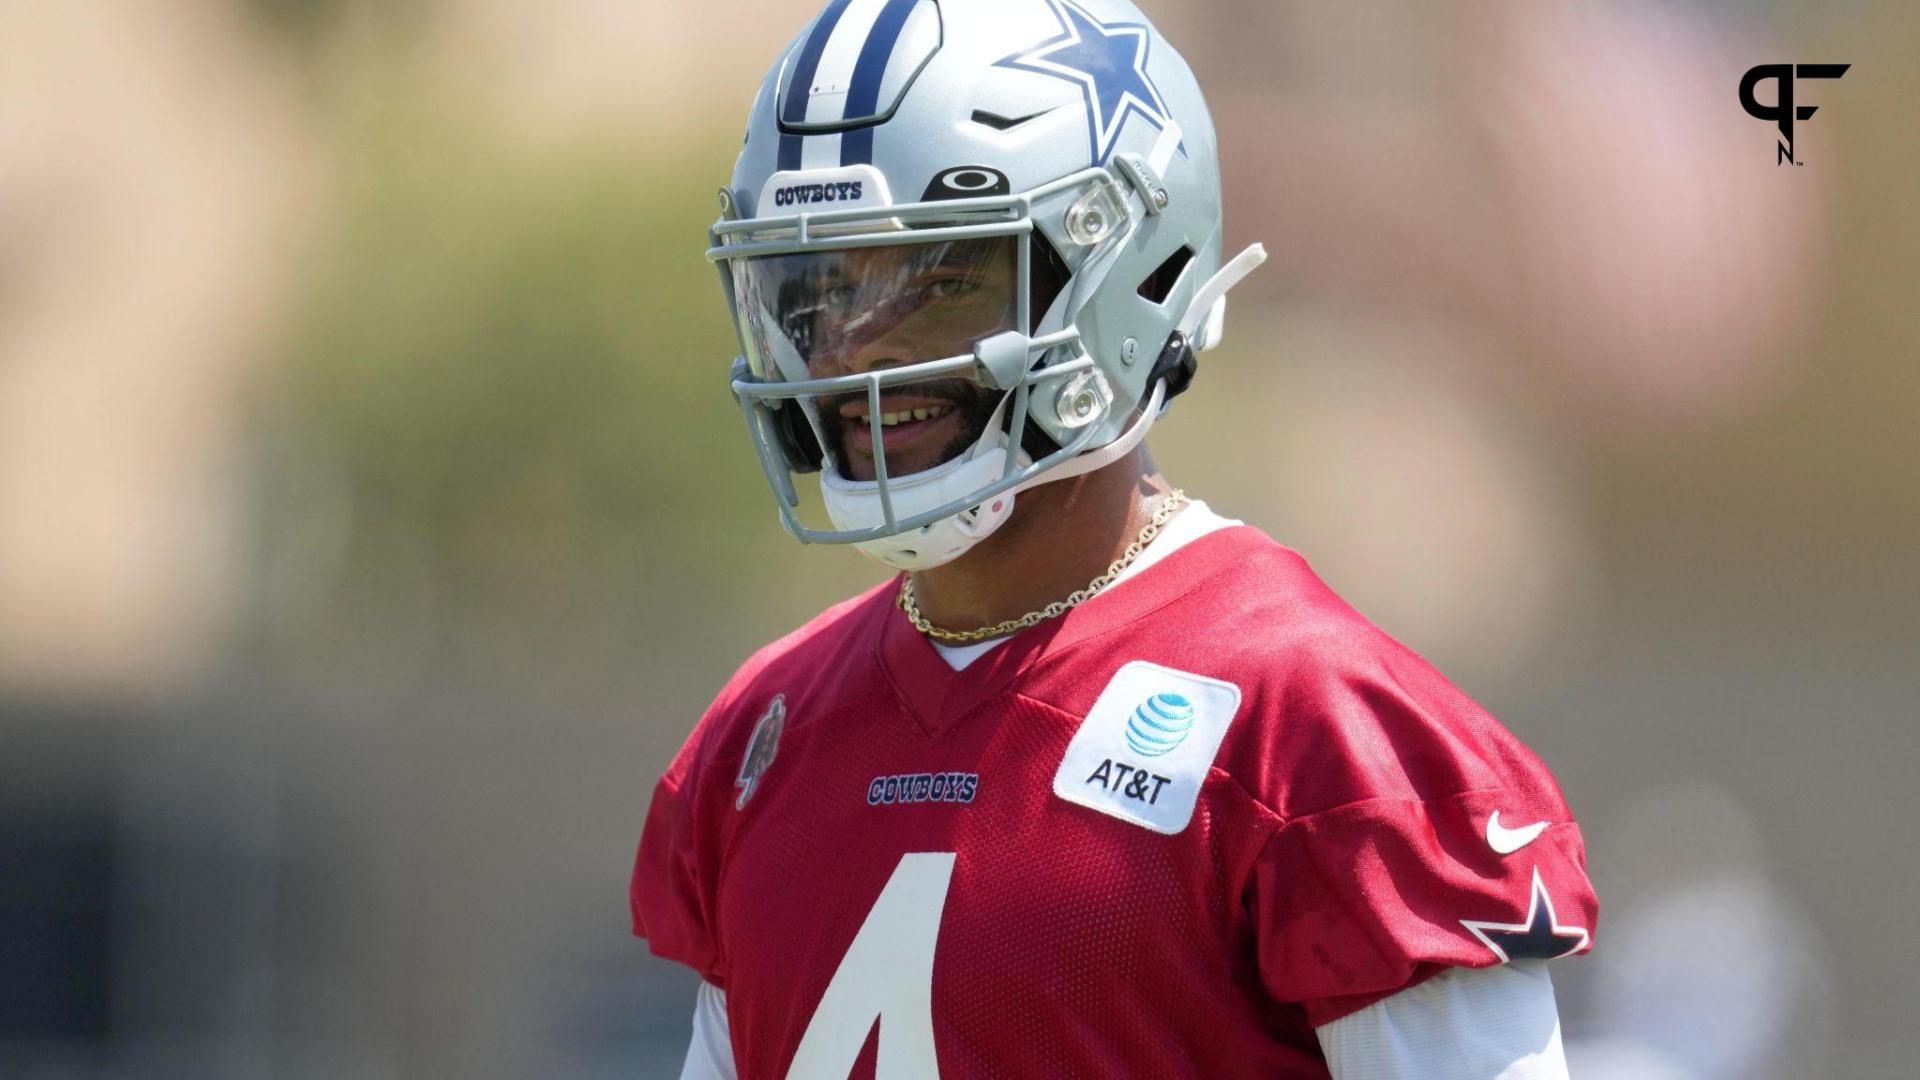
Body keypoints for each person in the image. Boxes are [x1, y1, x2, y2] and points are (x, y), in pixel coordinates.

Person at [630, 1, 1597, 1076]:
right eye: (820, 291)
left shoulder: (1322, 737)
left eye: (942, 284)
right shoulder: (763, 735)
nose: (857, 355)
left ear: (1129, 275)